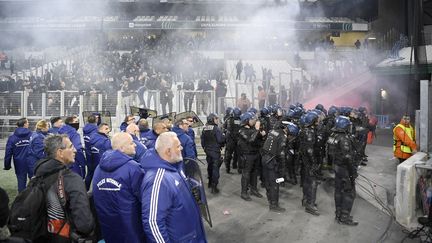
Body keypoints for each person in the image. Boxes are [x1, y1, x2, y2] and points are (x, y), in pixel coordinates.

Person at [140, 132, 207, 243]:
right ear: (168, 151)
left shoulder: (173, 166)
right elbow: (153, 222)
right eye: (178, 146)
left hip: (192, 235)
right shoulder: (158, 180)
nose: (181, 148)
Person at [35, 134, 94, 241]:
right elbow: (84, 224)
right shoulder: (72, 179)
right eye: (71, 146)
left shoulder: (38, 175)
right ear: (60, 153)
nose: (75, 150)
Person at [93, 133, 146, 243]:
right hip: (131, 228)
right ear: (122, 148)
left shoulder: (99, 168)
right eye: (131, 143)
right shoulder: (133, 168)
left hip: (107, 225)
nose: (135, 145)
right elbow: (144, 199)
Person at [327, 116, 359, 225]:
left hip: (336, 167)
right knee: (349, 192)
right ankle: (344, 217)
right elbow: (348, 158)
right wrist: (352, 172)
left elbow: (329, 153)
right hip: (345, 168)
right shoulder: (344, 139)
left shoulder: (332, 136)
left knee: (338, 190)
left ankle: (338, 214)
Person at [238, 112, 265, 201]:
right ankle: (244, 192)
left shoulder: (252, 129)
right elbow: (251, 140)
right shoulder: (241, 131)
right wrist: (257, 130)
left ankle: (254, 189)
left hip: (255, 153)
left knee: (255, 172)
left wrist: (261, 135)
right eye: (252, 120)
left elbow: (259, 141)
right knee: (246, 173)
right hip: (247, 155)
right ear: (246, 121)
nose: (254, 121)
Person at [261, 121, 288, 212]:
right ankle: (274, 205)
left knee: (268, 181)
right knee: (275, 183)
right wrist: (283, 171)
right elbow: (281, 155)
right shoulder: (282, 136)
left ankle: (270, 199)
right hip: (271, 161)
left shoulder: (272, 132)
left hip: (265, 158)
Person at [299, 112, 320, 216]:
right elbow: (309, 150)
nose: (318, 120)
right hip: (309, 161)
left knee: (306, 180)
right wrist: (314, 163)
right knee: (313, 182)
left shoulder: (304, 130)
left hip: (304, 160)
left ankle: (306, 200)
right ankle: (310, 205)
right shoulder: (309, 132)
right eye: (317, 119)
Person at [4, 118, 32, 192]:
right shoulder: (32, 135)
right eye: (27, 122)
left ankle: (21, 200)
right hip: (32, 162)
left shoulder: (12, 138)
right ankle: (35, 200)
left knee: (21, 184)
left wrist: (7, 165)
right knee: (34, 182)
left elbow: (8, 153)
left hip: (19, 163)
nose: (28, 124)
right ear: (24, 124)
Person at [201, 113, 225, 194]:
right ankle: (214, 187)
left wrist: (205, 149)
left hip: (208, 151)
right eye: (216, 119)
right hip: (215, 151)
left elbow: (202, 141)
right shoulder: (216, 129)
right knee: (215, 168)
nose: (217, 120)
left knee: (210, 166)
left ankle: (210, 183)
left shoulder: (204, 129)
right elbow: (220, 140)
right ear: (212, 119)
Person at [87, 123, 112, 190]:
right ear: (100, 129)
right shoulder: (105, 141)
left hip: (92, 165)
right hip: (103, 167)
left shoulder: (92, 138)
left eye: (108, 128)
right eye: (106, 129)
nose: (108, 130)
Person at [223, 107, 241, 174]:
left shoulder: (228, 119)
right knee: (237, 154)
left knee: (230, 154)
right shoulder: (240, 119)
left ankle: (229, 167)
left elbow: (224, 128)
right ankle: (235, 167)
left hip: (231, 139)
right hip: (235, 139)